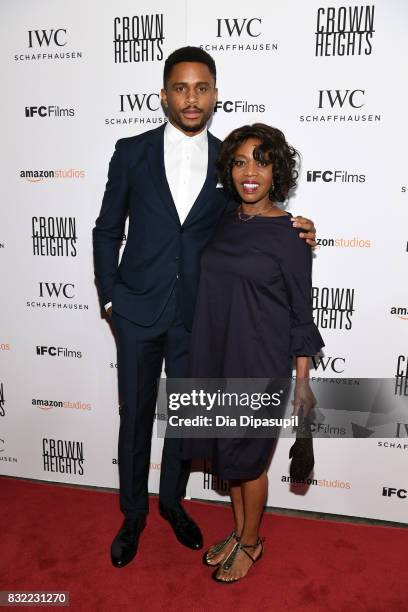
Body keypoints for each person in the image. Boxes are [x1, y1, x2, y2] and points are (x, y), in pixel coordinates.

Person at [92, 47, 317, 569]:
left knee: (184, 419)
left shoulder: (229, 160)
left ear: (215, 94)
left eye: (201, 88)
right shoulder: (131, 152)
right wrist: (109, 299)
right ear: (165, 94)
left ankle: (173, 502)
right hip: (137, 310)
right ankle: (133, 515)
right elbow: (107, 230)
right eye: (180, 87)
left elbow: (252, 219)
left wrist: (300, 228)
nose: (191, 98)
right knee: (135, 418)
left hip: (199, 319)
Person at [187, 123, 324, 583]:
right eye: (241, 161)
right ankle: (239, 530)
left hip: (260, 363)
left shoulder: (292, 235)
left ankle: (252, 543)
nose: (250, 172)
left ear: (277, 171)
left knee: (248, 461)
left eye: (261, 162)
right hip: (217, 357)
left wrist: (302, 383)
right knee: (229, 456)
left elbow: (301, 316)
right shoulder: (224, 219)